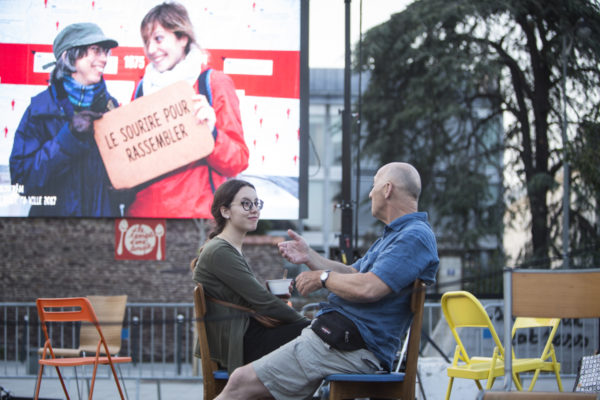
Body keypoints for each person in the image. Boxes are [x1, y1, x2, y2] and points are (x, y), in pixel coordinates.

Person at [214, 162, 440, 400]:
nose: (370, 193)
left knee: (239, 382)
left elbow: (369, 287)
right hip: (339, 341)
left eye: (374, 185)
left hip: (347, 347)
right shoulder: (396, 236)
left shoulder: (414, 236)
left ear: (387, 189)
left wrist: (323, 278)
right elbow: (352, 274)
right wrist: (309, 256)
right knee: (251, 384)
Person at [127, 2, 249, 218]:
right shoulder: (142, 88)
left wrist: (211, 133)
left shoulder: (213, 83)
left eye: (158, 39)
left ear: (182, 38)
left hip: (194, 219)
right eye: (146, 41)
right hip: (143, 218)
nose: (151, 49)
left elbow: (237, 161)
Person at [193, 179, 309, 374]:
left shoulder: (227, 248)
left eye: (257, 203)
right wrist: (307, 323)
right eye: (246, 204)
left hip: (242, 336)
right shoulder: (220, 250)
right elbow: (262, 302)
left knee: (314, 340)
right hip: (239, 344)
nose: (254, 209)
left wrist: (274, 296)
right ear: (225, 211)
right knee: (315, 336)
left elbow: (250, 298)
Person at [9, 23, 121, 216]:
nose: (104, 59)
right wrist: (67, 138)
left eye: (105, 52)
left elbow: (122, 175)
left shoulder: (112, 108)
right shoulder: (40, 111)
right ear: (69, 57)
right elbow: (22, 181)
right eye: (95, 50)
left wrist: (125, 191)